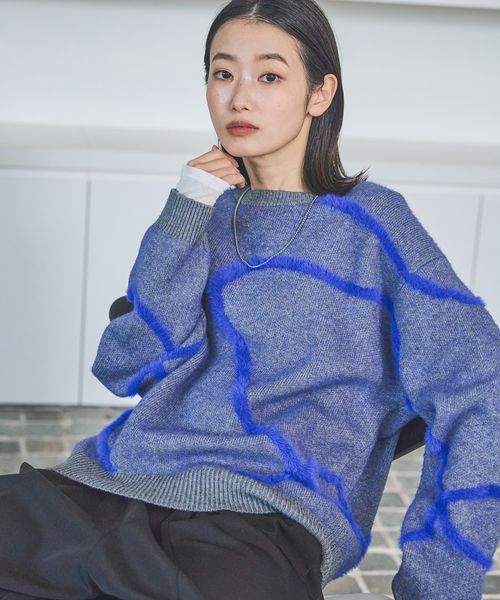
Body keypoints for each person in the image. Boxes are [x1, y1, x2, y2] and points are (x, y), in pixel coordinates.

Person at [1, 1, 499, 599]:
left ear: (319, 94)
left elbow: (483, 389)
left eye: (268, 76)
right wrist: (185, 209)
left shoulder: (373, 225)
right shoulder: (203, 211)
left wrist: (435, 587)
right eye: (223, 73)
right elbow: (125, 366)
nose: (239, 98)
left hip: (261, 523)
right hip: (113, 487)